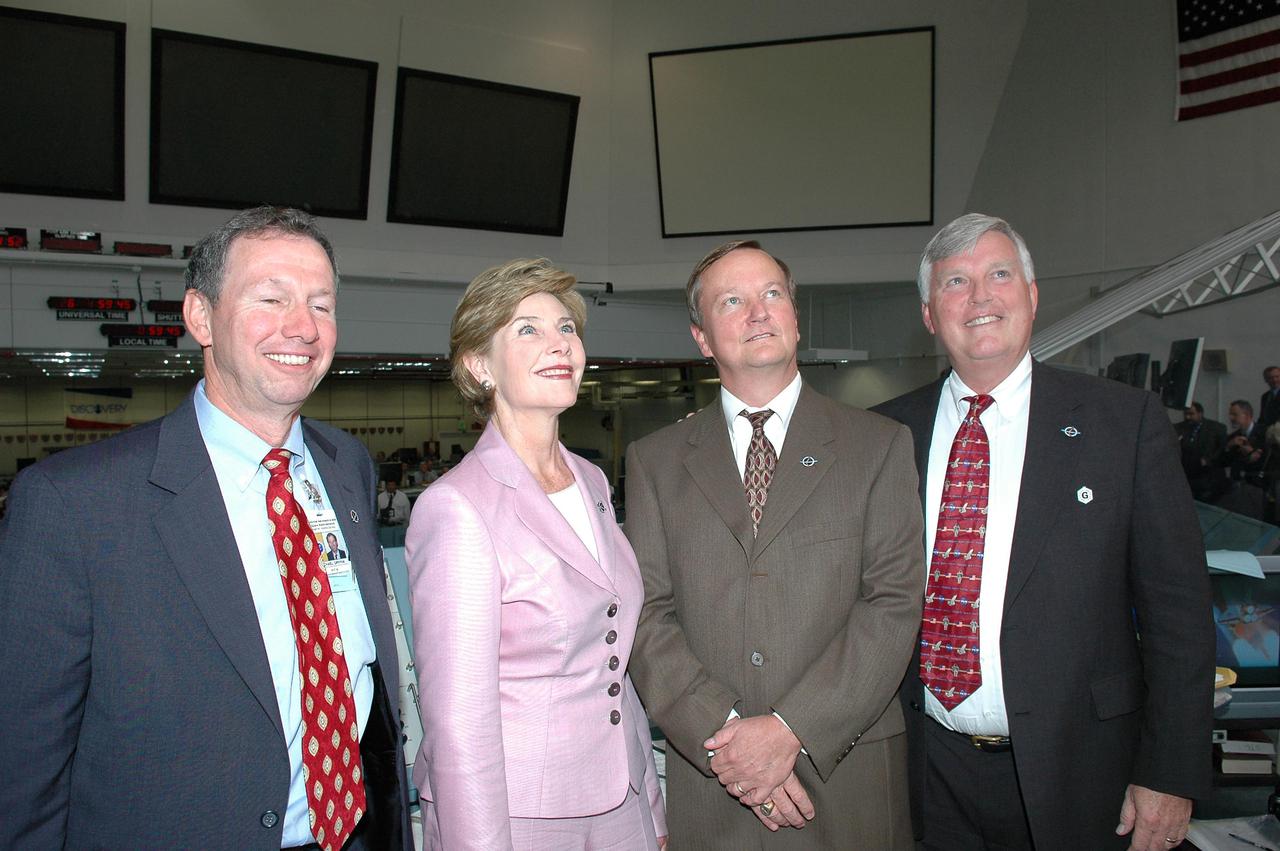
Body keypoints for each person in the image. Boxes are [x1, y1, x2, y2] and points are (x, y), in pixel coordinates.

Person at [0, 207, 412, 850]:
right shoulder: (73, 505)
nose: (302, 327)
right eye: (271, 298)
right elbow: (23, 768)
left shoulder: (346, 465)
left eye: (321, 304)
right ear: (199, 316)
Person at [873, 213, 1213, 851]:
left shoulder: (1123, 423)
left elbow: (1180, 613)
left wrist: (1169, 773)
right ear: (928, 314)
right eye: (955, 282)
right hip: (923, 772)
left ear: (1031, 296)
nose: (980, 297)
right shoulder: (884, 435)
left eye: (999, 274)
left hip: (1084, 773)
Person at [626, 240, 925, 848]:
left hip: (845, 769)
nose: (758, 312)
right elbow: (647, 616)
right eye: (732, 300)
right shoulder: (653, 462)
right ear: (702, 337)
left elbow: (892, 604)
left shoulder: (880, 445)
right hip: (715, 776)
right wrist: (731, 737)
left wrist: (790, 729)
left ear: (794, 315)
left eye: (772, 295)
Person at [405, 258, 667, 850]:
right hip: (520, 815)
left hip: (620, 800)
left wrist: (651, 810)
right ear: (479, 364)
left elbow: (614, 670)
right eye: (527, 329)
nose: (560, 345)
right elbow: (459, 723)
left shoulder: (593, 483)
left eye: (566, 328)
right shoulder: (458, 509)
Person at [1174, 402, 1228, 501]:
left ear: (1200, 413)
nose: (1188, 417)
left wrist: (1208, 460)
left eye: (1191, 414)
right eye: (1186, 414)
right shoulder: (1178, 428)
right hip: (1187, 475)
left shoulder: (1216, 428)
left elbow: (1222, 450)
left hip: (1208, 476)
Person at [1258, 365, 1280, 430]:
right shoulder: (1265, 397)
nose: (1274, 380)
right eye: (1271, 378)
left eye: (1277, 377)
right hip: (1268, 431)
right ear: (1266, 379)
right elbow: (1262, 417)